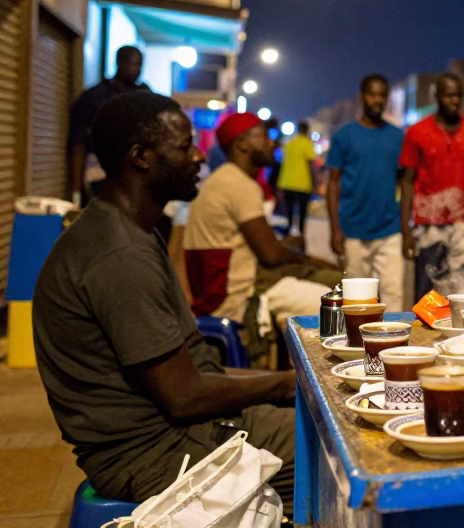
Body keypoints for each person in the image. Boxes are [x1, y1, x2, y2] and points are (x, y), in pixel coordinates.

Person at [34, 92, 297, 505]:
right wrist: (283, 384)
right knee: (337, 453)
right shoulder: (118, 254)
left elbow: (191, 376)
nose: (198, 157)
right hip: (154, 454)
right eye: (185, 146)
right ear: (141, 157)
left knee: (317, 416)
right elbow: (184, 396)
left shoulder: (131, 229)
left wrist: (296, 384)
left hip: (178, 429)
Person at [183, 112, 339, 336]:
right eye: (264, 137)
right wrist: (311, 260)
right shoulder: (237, 183)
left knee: (329, 280)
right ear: (243, 145)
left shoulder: (225, 178)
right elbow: (270, 255)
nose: (271, 143)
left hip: (229, 284)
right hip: (239, 294)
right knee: (340, 298)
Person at [399, 73, 464, 298]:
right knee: (426, 295)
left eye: (458, 95)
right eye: (449, 95)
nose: (454, 101)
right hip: (428, 227)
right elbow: (407, 182)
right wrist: (406, 232)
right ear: (437, 96)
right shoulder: (417, 132)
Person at [327, 74, 406, 308]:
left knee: (394, 297)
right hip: (353, 230)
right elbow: (333, 183)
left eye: (382, 95)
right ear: (362, 97)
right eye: (372, 94)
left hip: (389, 230)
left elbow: (406, 182)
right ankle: (360, 344)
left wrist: (405, 225)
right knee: (356, 302)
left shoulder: (397, 136)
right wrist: (335, 229)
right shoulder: (344, 135)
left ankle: (393, 344)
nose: (377, 100)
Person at [67, 45, 150, 203]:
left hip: (135, 177)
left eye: (140, 64)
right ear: (119, 63)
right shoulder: (95, 97)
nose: (138, 70)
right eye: (134, 64)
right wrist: (75, 192)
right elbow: (77, 144)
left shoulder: (143, 96)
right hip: (100, 175)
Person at [276, 121, 317, 238]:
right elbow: (311, 165)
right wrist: (316, 183)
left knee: (289, 210)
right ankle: (301, 235)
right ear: (307, 130)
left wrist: (280, 184)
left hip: (287, 182)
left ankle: (288, 233)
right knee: (302, 211)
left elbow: (283, 164)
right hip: (303, 183)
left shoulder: (289, 143)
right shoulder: (307, 144)